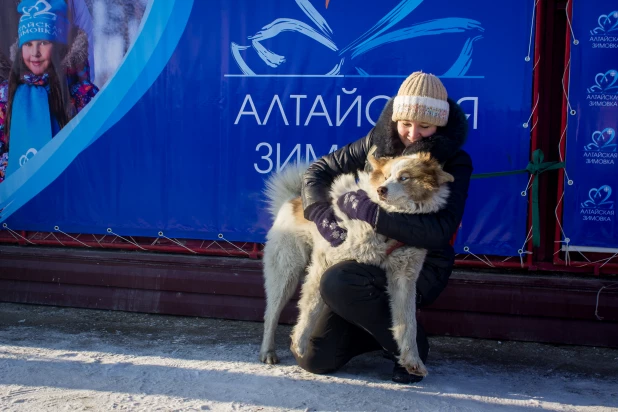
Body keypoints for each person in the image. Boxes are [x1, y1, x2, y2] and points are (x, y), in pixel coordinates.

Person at [296, 71, 473, 383]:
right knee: (316, 359)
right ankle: (380, 332)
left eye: (425, 126)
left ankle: (409, 346)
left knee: (338, 280)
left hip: (420, 263)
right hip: (368, 259)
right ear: (395, 118)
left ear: (441, 125)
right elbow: (318, 170)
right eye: (405, 123)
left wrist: (370, 212)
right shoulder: (375, 145)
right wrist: (320, 211)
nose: (413, 133)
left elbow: (439, 231)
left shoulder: (455, 161)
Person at [0, 0, 99, 183]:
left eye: (43, 42)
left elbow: (95, 148)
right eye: (28, 44)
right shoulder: (6, 95)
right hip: (14, 202)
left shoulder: (82, 94)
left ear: (57, 46)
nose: (35, 52)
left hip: (67, 196)